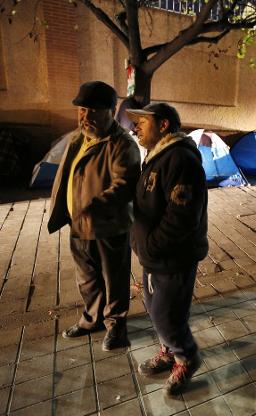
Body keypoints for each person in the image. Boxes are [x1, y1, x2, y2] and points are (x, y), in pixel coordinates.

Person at [48, 81, 141, 351]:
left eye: (93, 111)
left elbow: (124, 185)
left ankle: (116, 327)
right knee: (87, 279)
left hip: (108, 227)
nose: (85, 116)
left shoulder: (122, 145)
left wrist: (93, 207)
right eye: (82, 110)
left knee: (114, 280)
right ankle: (92, 320)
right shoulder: (79, 138)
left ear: (111, 111)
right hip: (77, 224)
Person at [126, 102, 208, 396]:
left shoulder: (181, 160)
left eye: (142, 122)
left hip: (174, 256)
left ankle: (187, 357)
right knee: (153, 307)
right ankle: (169, 350)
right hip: (153, 254)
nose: (135, 126)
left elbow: (182, 217)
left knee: (167, 313)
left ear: (163, 125)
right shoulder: (156, 157)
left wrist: (150, 246)